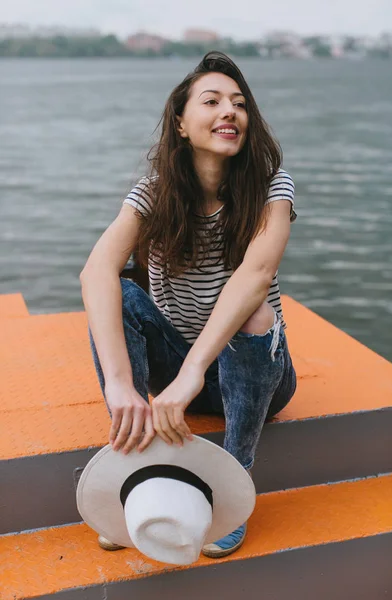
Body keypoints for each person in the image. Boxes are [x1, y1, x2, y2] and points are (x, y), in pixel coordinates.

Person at [80, 51, 297, 559]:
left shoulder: (272, 187)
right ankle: (133, 464)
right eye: (213, 101)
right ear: (180, 122)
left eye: (239, 104)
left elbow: (256, 275)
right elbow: (95, 271)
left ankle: (233, 481)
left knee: (256, 311)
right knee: (123, 294)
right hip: (178, 376)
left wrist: (194, 371)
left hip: (256, 377)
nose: (230, 112)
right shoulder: (154, 194)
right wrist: (120, 386)